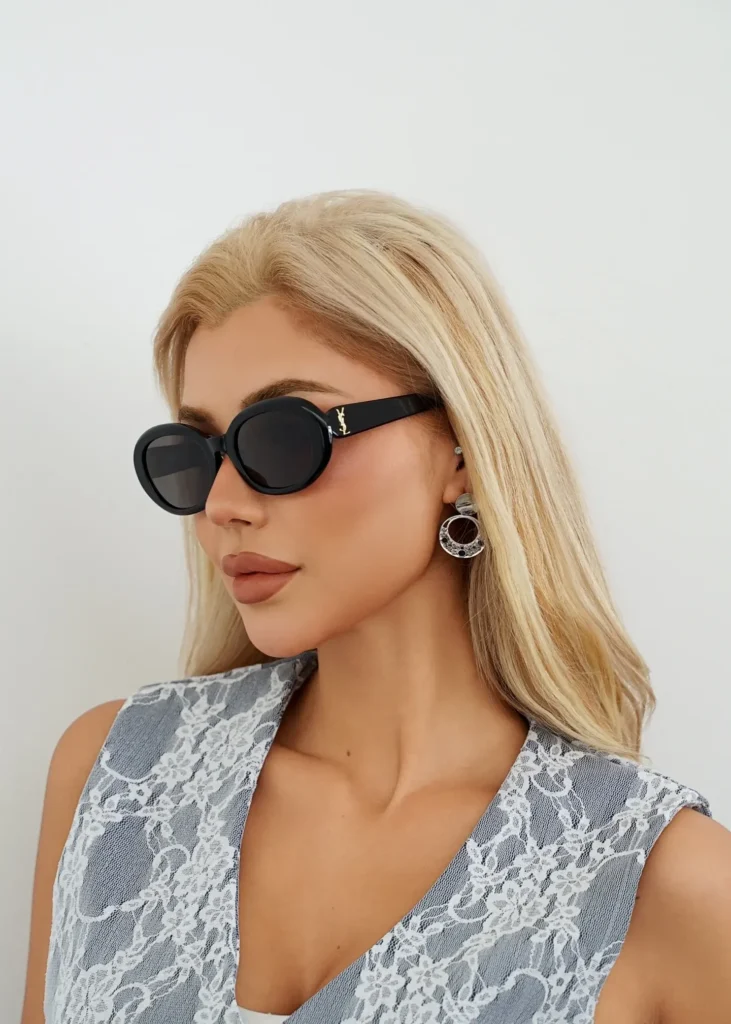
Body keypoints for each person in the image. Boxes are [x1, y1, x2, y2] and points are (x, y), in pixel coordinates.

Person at [22, 190, 731, 1024]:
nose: (222, 504)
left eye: (283, 437)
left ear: (461, 450)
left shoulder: (668, 887)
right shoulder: (115, 778)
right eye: (194, 453)